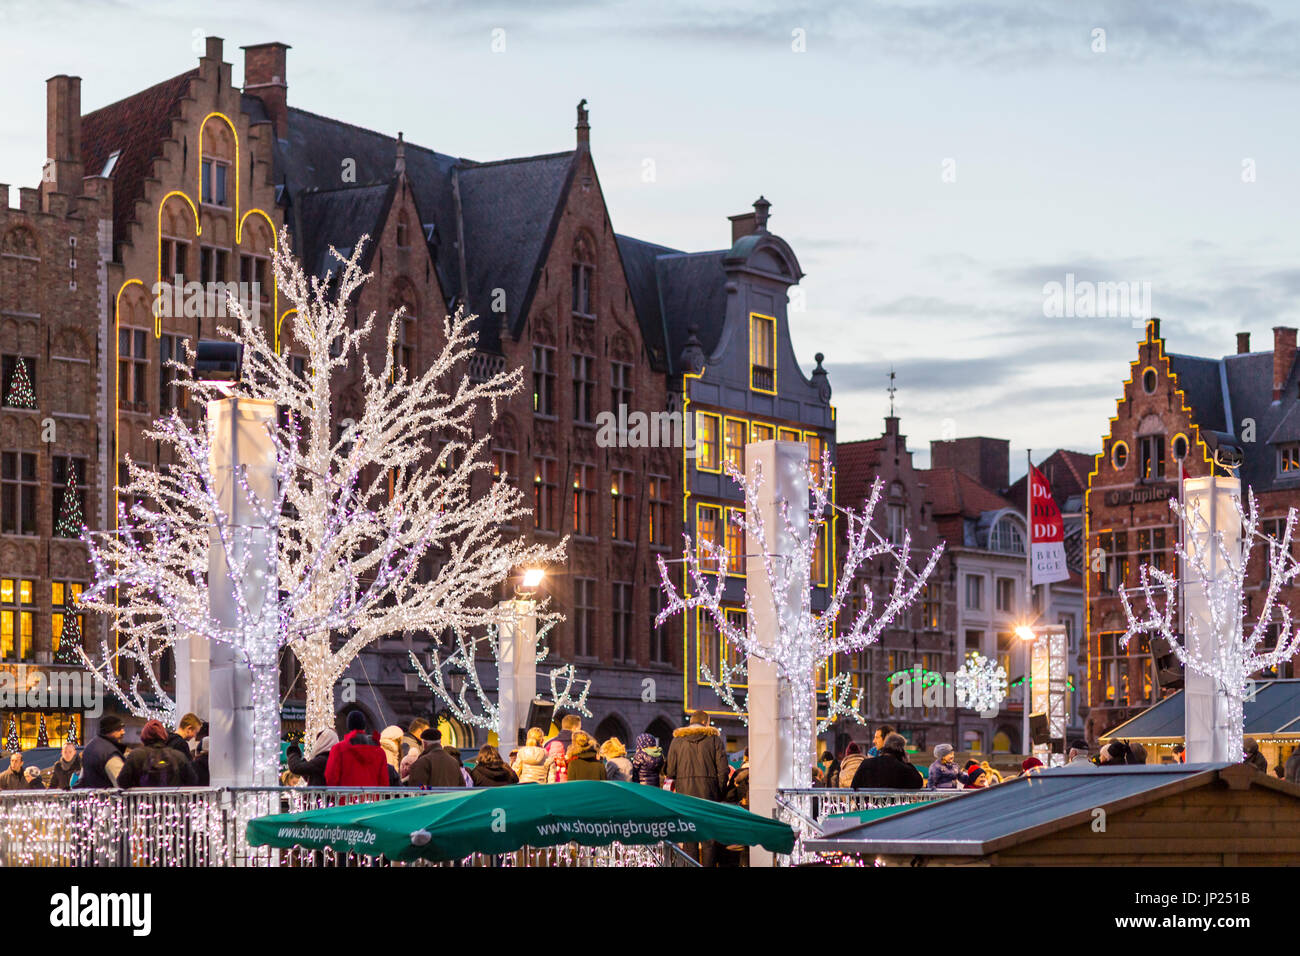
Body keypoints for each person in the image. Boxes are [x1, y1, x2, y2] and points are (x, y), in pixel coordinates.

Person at [664, 711, 730, 867]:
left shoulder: (677, 741)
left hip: (685, 797)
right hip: (709, 795)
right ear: (706, 723)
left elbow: (670, 771)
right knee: (709, 841)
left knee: (690, 841)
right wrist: (718, 792)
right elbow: (723, 770)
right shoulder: (714, 739)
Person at [118, 720, 199, 788]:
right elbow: (193, 781)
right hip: (171, 803)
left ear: (144, 736)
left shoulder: (135, 755)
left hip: (142, 804)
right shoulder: (179, 756)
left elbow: (122, 782)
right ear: (164, 735)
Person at [325, 712, 389, 787]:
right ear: (364, 726)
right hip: (372, 797)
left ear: (348, 726)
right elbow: (384, 782)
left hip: (345, 797)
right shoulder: (379, 752)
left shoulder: (338, 749)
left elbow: (331, 778)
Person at [851, 732, 923, 789]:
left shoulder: (866, 763)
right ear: (901, 750)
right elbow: (918, 783)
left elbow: (854, 785)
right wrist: (908, 763)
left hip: (869, 806)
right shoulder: (901, 768)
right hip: (894, 807)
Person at [77, 715, 128, 788]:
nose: (123, 732)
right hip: (107, 797)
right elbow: (122, 782)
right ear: (109, 731)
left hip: (92, 795)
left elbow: (83, 777)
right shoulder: (108, 753)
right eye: (119, 729)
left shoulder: (90, 747)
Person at [544, 714, 582, 783]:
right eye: (579, 728)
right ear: (575, 728)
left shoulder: (549, 743)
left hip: (550, 782)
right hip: (573, 783)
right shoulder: (579, 745)